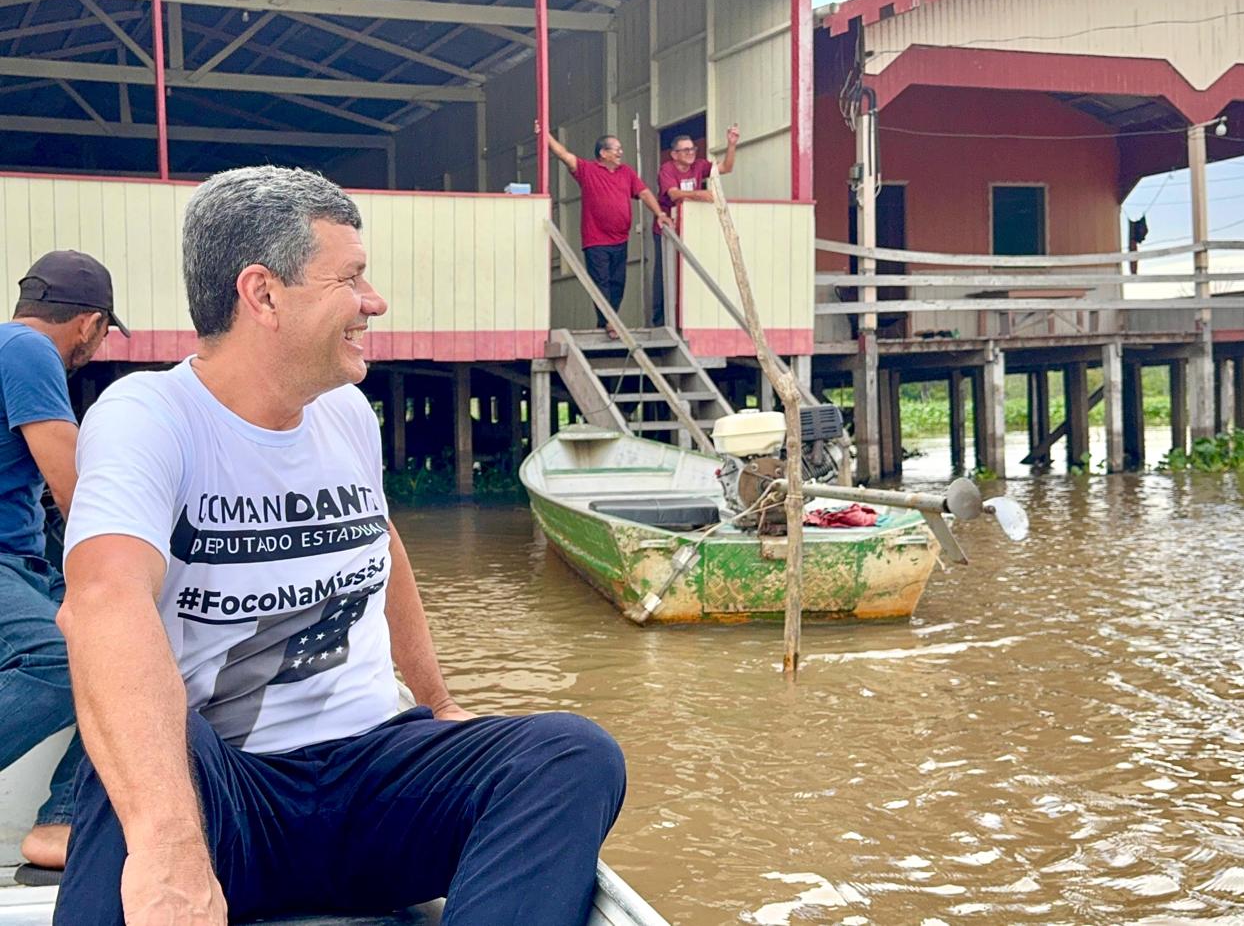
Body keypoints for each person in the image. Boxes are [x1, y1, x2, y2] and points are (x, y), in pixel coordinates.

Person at [54, 166, 626, 925]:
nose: (374, 301)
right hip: (230, 801)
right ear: (262, 294)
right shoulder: (148, 416)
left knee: (571, 753)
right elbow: (102, 601)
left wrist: (440, 701)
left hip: (367, 780)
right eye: (351, 277)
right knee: (135, 755)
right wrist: (169, 847)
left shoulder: (347, 412)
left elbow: (382, 554)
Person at [0, 249, 125, 871]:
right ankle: (61, 818)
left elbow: (43, 498)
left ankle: (63, 821)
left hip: (17, 561)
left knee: (139, 649)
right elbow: (77, 488)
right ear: (91, 324)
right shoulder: (27, 351)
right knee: (67, 657)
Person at [542, 126, 673, 334]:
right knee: (601, 282)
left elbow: (645, 193)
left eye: (620, 149)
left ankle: (605, 321)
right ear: (603, 153)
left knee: (617, 284)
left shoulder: (627, 172)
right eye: (616, 149)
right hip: (596, 240)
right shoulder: (587, 170)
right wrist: (545, 136)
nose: (620, 152)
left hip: (620, 239)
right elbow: (563, 155)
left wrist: (660, 214)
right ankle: (610, 321)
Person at [652, 126, 740, 327]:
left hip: (692, 229)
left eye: (693, 149)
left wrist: (732, 144)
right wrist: (700, 195)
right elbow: (673, 194)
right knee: (664, 275)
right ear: (674, 154)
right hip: (668, 230)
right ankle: (660, 322)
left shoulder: (699, 165)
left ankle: (687, 320)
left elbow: (726, 168)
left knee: (690, 273)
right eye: (685, 150)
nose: (691, 153)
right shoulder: (667, 169)